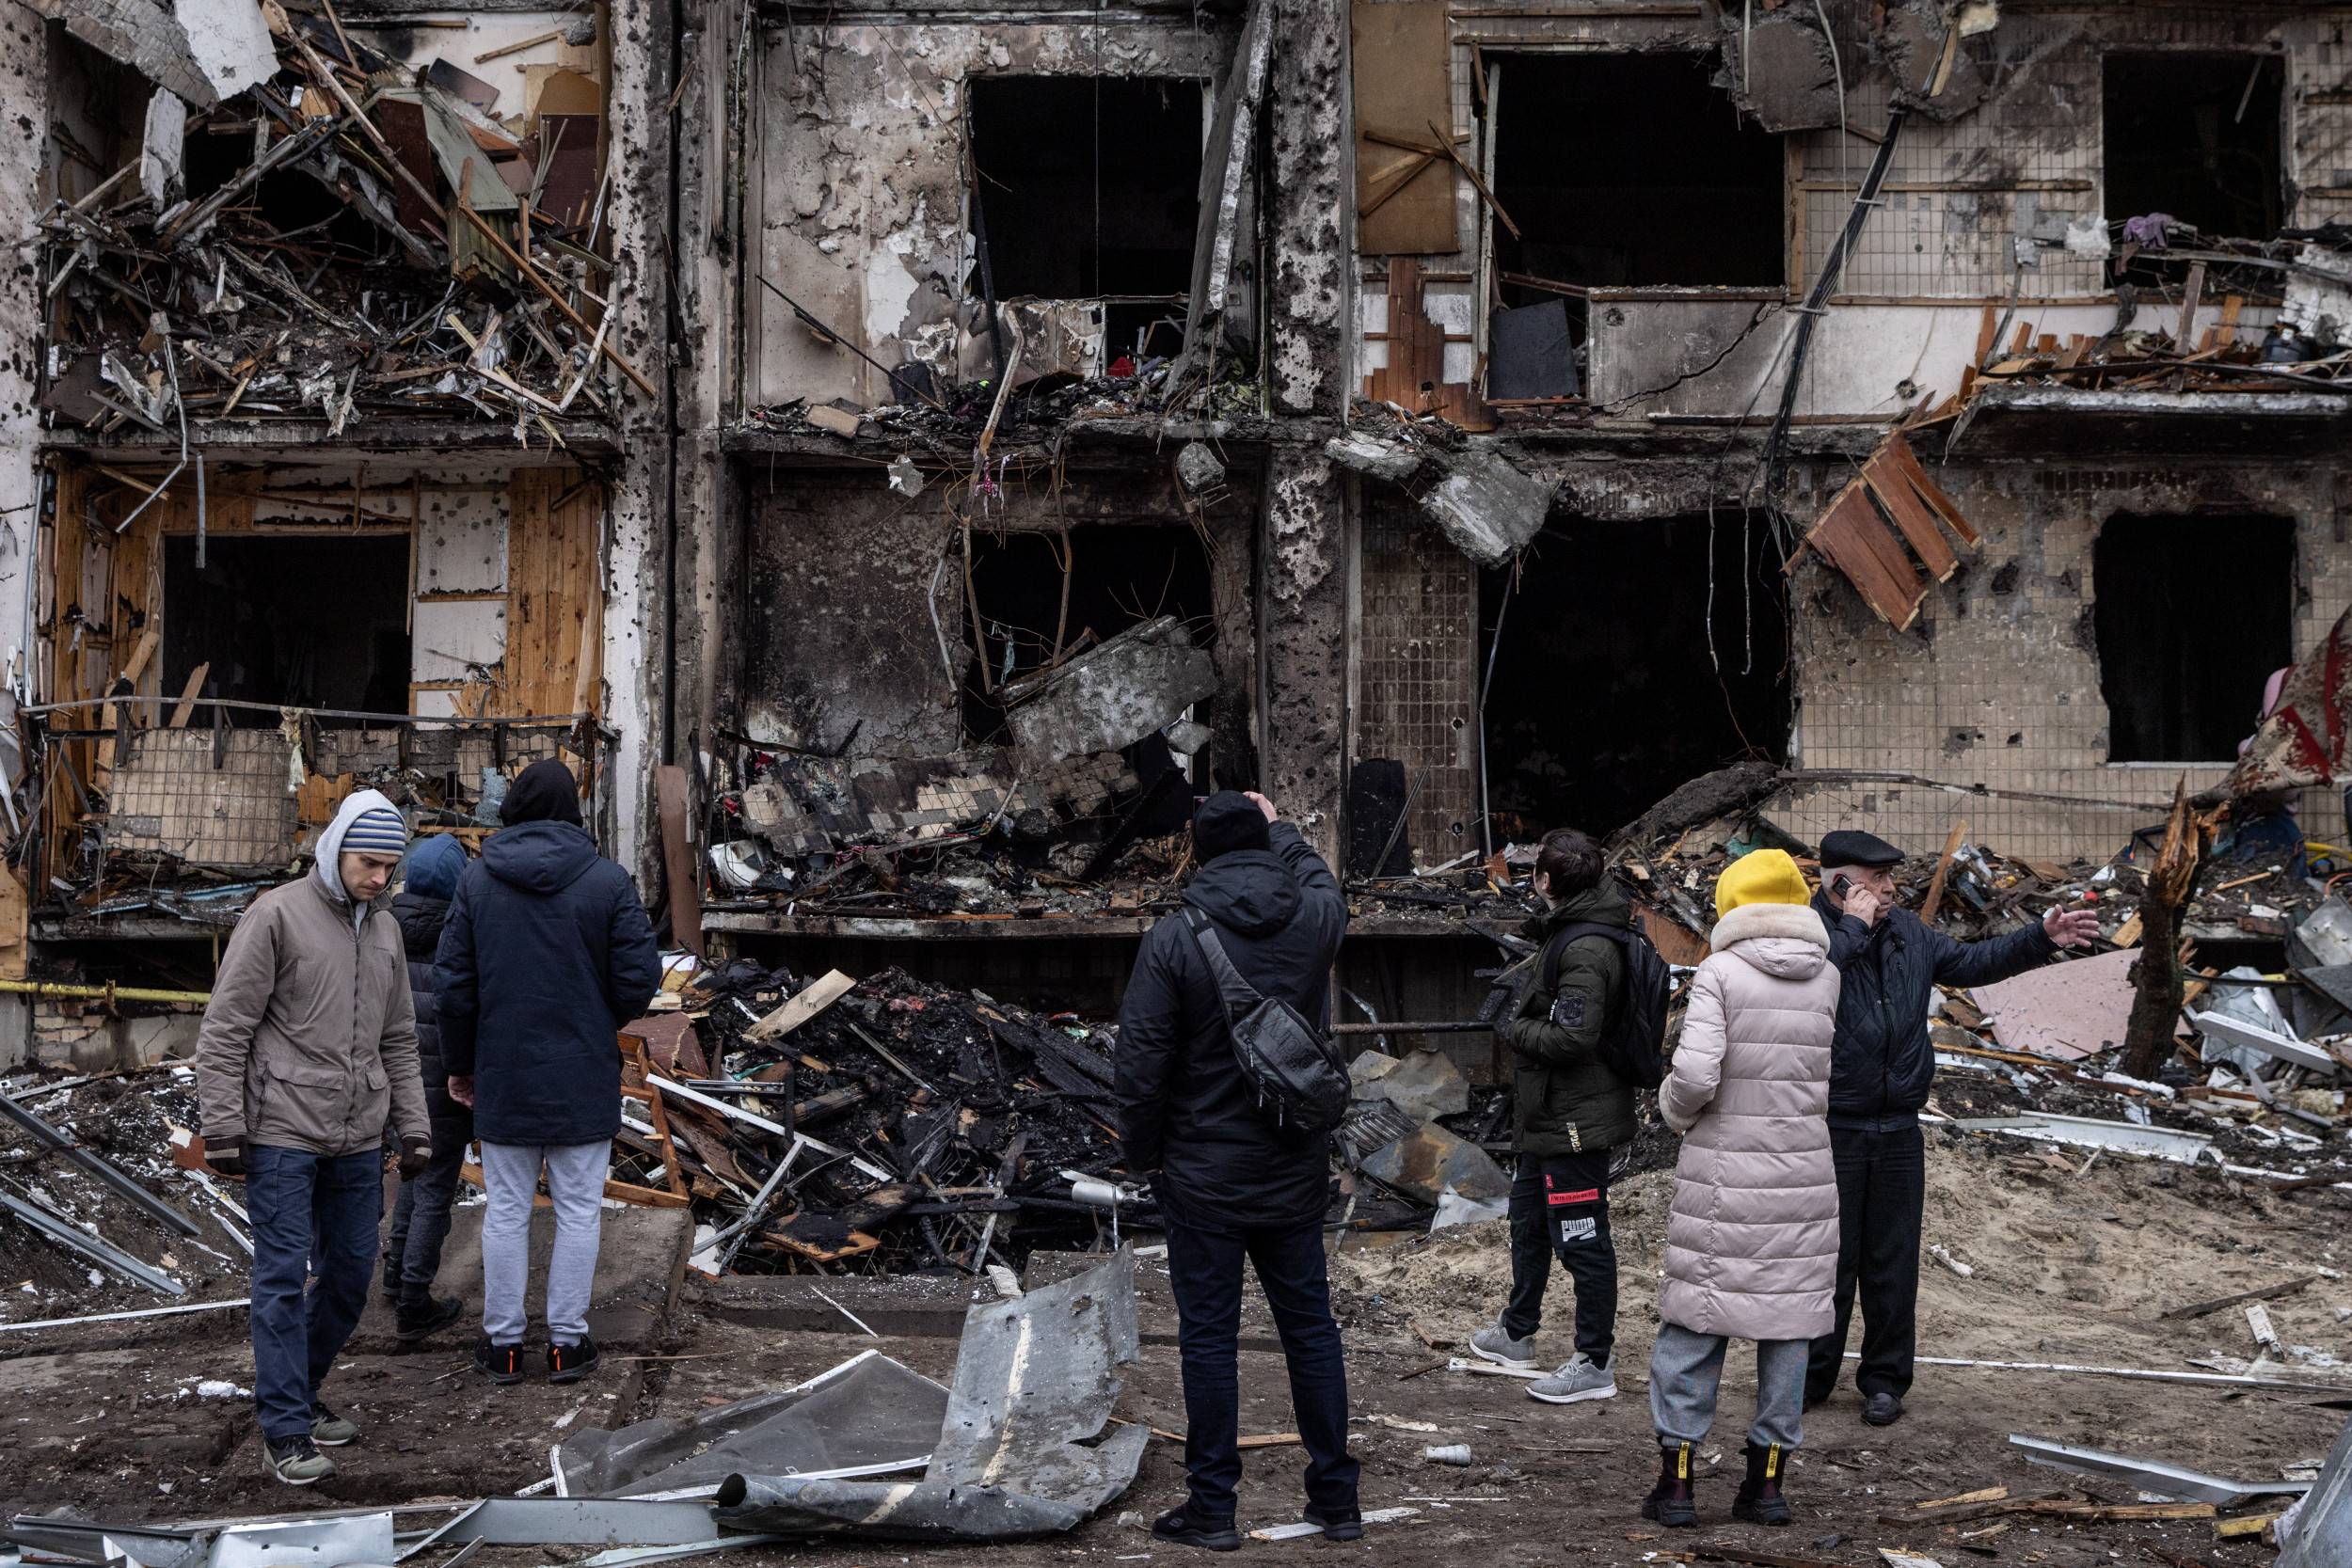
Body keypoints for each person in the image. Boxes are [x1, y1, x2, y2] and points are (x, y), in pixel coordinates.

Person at [1113, 790, 1357, 1552]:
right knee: (1311, 1331)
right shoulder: (1314, 919)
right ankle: (1337, 1501)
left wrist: (1142, 1153)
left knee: (1210, 1338)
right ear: (1266, 841)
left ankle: (1213, 1508)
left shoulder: (1174, 937)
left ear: (1199, 850)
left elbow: (1141, 1064)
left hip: (1201, 1174)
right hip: (1292, 1169)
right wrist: (1280, 821)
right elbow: (1321, 880)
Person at [1803, 828, 2099, 1425]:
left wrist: (2040, 938)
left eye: (1891, 880)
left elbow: (1969, 962)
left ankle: (1885, 1380)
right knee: (1826, 1261)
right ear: (1838, 883)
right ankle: (1810, 1378)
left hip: (1898, 1127)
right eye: (1876, 881)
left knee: (1893, 1259)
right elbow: (1813, 984)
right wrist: (1853, 929)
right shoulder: (1808, 935)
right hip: (1831, 1126)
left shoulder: (1910, 932)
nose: (1889, 890)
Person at [197, 790, 431, 1486]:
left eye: (390, 866)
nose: (379, 878)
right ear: (335, 849)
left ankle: (301, 1388)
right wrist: (223, 1127)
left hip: (358, 1136)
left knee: (353, 1272)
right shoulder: (276, 915)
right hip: (280, 1133)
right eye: (368, 862)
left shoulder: (385, 928)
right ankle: (285, 1430)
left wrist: (414, 1126)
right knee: (278, 1277)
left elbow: (399, 1038)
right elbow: (225, 1028)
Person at [437, 759, 660, 1386]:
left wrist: (460, 1063)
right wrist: (596, 1018)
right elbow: (640, 980)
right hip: (581, 1070)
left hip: (502, 1072)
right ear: (572, 812)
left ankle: (504, 1347)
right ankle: (567, 1344)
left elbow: (454, 990)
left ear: (511, 811)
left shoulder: (477, 883)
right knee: (580, 1211)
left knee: (505, 1210)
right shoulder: (608, 881)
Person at [1643, 849, 1841, 1530]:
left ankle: (1677, 1485)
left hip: (1727, 1177)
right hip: (1805, 1179)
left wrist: (1672, 1110)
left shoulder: (1720, 972)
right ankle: (1767, 1486)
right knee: (1786, 1328)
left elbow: (1696, 1078)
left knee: (1697, 1321)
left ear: (1734, 904)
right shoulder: (1829, 976)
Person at [1469, 826, 1634, 1405]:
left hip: (1575, 1121)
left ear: (1543, 881)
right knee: (1529, 1224)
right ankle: (1517, 1334)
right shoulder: (1572, 930)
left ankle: (1595, 1361)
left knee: (1583, 1239)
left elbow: (1573, 1037)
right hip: (1549, 1115)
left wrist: (1512, 1027)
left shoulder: (1587, 947)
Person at [381, 832, 473, 1340]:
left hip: (396, 1087)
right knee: (436, 1187)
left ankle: (395, 1276)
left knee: (412, 1176)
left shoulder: (383, 930)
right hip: (445, 1086)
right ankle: (415, 1300)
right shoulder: (457, 937)